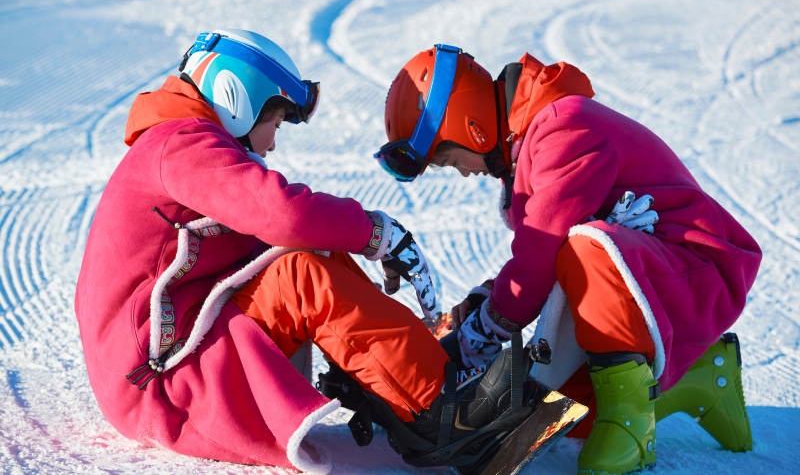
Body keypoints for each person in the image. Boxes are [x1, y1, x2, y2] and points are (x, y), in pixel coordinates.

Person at [76, 29, 605, 475]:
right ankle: (446, 416)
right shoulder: (180, 143)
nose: (271, 143)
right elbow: (283, 214)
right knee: (301, 273)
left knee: (314, 255)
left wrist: (357, 242)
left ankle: (412, 388)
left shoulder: (176, 146)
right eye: (273, 123)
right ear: (237, 98)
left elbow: (284, 227)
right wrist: (376, 233)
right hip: (162, 384)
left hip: (173, 365)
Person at [375, 44, 762, 474]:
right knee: (562, 409)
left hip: (700, 266)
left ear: (472, 128)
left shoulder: (564, 126)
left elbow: (542, 254)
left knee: (584, 246)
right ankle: (701, 374)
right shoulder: (535, 143)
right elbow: (541, 258)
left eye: (449, 160)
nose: (463, 172)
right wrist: (490, 298)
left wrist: (486, 327)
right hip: (656, 273)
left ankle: (630, 419)